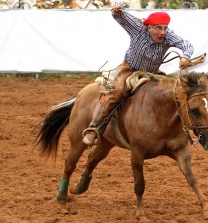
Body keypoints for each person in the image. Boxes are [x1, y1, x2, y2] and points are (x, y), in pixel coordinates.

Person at [82, 2, 194, 146]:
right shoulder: (138, 29)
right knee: (117, 92)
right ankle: (93, 130)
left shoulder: (168, 36)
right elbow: (118, 15)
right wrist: (117, 7)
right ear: (149, 27)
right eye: (158, 28)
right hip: (129, 69)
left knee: (170, 93)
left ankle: (174, 130)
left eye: (165, 28)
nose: (163, 32)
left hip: (152, 73)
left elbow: (187, 45)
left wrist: (185, 57)